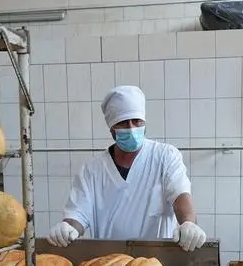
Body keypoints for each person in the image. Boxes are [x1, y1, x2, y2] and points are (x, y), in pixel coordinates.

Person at [46, 85, 207, 252]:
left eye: (137, 121)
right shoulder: (92, 169)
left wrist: (188, 222)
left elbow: (180, 196)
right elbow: (77, 215)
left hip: (158, 260)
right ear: (111, 128)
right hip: (108, 260)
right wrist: (67, 228)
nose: (131, 128)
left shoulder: (164, 156)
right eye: (123, 122)